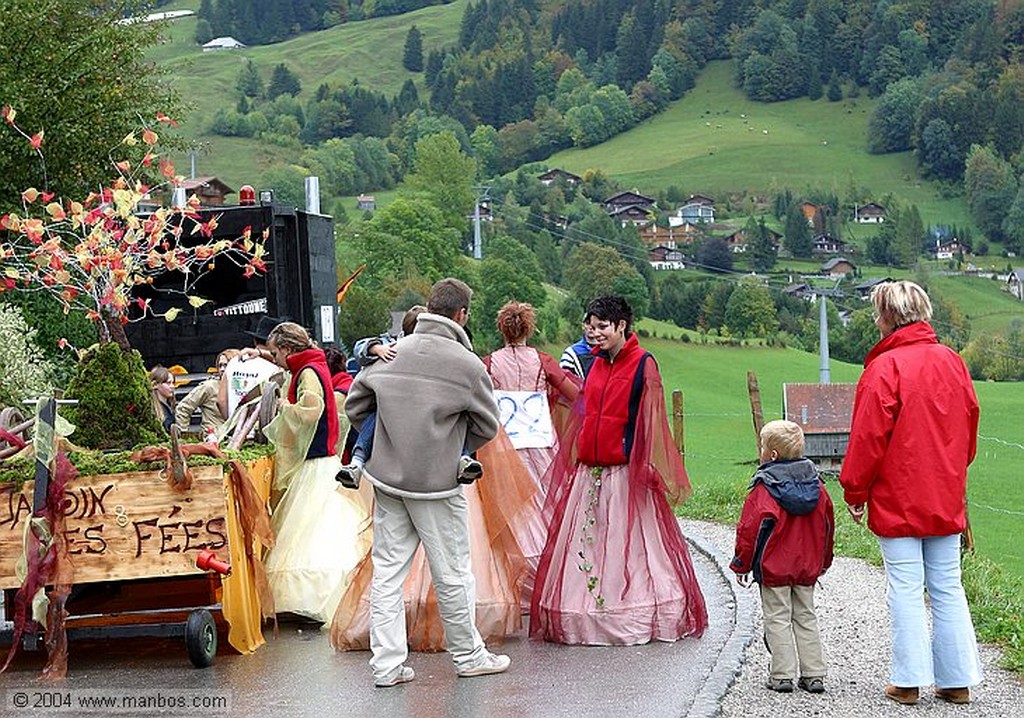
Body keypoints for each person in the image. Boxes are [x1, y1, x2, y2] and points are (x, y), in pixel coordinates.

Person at [342, 277, 510, 687]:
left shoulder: (392, 351)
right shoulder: (468, 365)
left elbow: (356, 404)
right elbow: (488, 424)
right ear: (462, 314)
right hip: (438, 483)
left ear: (430, 307)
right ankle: (468, 656)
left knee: (387, 573)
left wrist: (388, 441)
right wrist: (455, 447)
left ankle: (386, 666)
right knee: (452, 573)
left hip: (387, 478)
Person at [531, 295, 708, 645]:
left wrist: (645, 464)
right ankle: (586, 608)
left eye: (602, 327)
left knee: (625, 543)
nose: (594, 333)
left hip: (624, 472)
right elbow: (584, 408)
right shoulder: (595, 364)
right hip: (590, 470)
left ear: (621, 326)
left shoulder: (643, 364)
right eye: (590, 326)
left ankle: (629, 608)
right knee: (590, 541)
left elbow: (651, 421)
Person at [838, 280, 982, 706]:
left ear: (886, 317)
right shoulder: (952, 362)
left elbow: (867, 440)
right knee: (947, 586)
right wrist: (953, 469)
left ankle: (908, 681)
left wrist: (854, 491)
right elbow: (969, 429)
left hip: (898, 494)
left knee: (904, 586)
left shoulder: (883, 369)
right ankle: (957, 681)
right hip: (944, 490)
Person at [260, 322, 372, 624]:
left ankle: (307, 601)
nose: (274, 359)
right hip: (325, 461)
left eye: (275, 352)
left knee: (309, 531)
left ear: (286, 348)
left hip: (315, 462)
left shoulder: (306, 372)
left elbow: (312, 409)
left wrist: (285, 405)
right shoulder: (313, 365)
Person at [483, 300, 580, 606]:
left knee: (513, 513)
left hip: (504, 448)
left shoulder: (489, 363)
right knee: (546, 508)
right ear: (529, 327)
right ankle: (550, 582)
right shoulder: (543, 361)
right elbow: (576, 395)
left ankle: (516, 584)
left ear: (502, 328)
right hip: (541, 444)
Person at [731, 420, 834, 694]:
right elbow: (827, 526)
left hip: (773, 568)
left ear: (772, 455)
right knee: (806, 616)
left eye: (763, 446)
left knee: (777, 617)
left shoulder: (764, 489)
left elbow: (749, 530)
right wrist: (823, 561)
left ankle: (782, 675)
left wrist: (741, 563)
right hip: (807, 568)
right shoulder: (818, 486)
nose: (761, 450)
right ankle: (814, 674)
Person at [336, 305, 482, 488]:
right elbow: (360, 347)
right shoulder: (393, 346)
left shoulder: (424, 349)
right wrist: (375, 348)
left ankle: (357, 460)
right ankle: (462, 456)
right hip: (406, 411)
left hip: (407, 413)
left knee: (377, 419)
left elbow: (355, 406)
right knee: (454, 422)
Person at [173, 349, 241, 433]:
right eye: (220, 366)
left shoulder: (243, 387)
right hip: (213, 439)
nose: (222, 369)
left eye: (226, 365)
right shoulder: (210, 386)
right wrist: (183, 434)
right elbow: (183, 408)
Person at [149, 365, 176, 433]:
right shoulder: (151, 409)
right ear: (155, 385)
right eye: (168, 383)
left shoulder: (171, 406)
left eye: (173, 383)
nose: (172, 386)